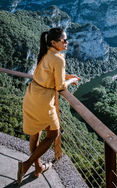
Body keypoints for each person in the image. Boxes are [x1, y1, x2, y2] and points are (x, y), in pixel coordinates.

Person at [17, 27, 80, 184]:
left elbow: (48, 73)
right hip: (44, 101)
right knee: (53, 134)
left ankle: (38, 167)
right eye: (64, 40)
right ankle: (27, 164)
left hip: (32, 96)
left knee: (35, 133)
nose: (67, 42)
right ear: (54, 42)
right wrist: (72, 80)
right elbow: (60, 87)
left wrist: (66, 75)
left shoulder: (46, 52)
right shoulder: (58, 58)